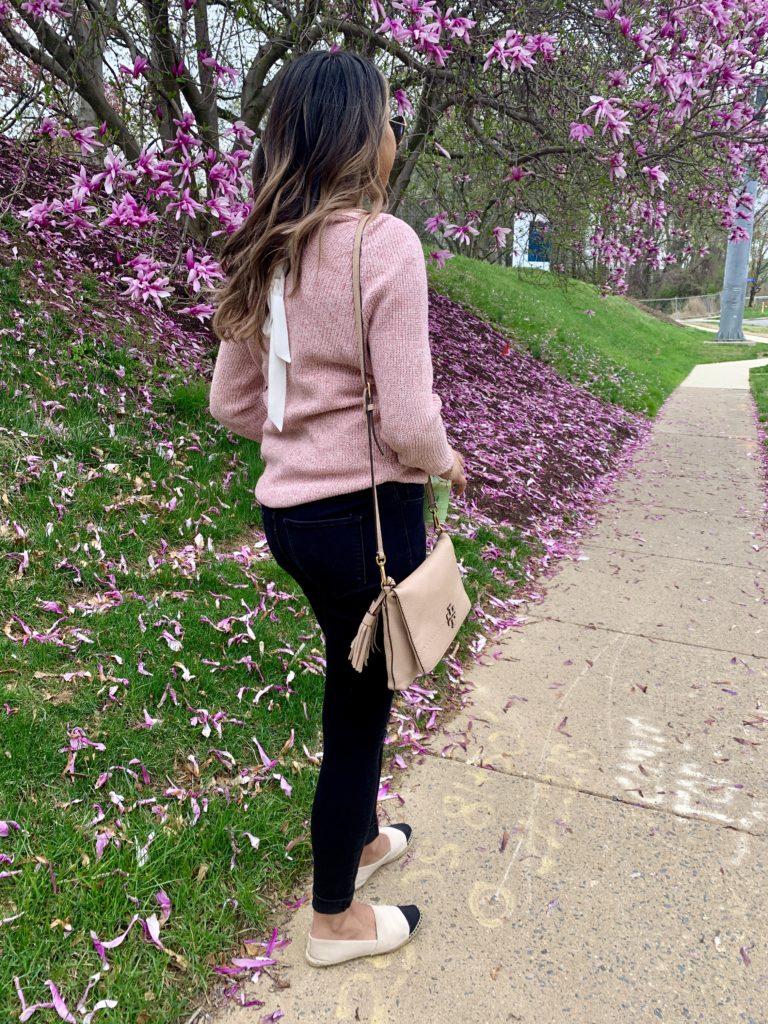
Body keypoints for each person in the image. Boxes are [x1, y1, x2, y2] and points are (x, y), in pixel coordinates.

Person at [207, 48, 467, 968]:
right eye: (389, 119)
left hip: (292, 520)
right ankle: (334, 922)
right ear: (368, 138)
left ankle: (356, 843)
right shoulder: (383, 244)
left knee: (345, 673)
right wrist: (449, 460)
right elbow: (408, 421)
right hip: (366, 517)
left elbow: (233, 405)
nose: (395, 134)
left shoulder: (267, 248)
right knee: (360, 708)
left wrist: (308, 420)